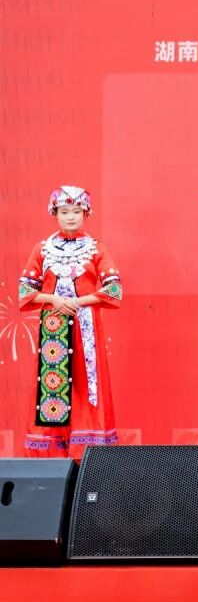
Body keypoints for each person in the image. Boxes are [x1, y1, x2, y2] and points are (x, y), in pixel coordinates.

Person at [18, 186, 123, 459]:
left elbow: (114, 289)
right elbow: (25, 291)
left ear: (86, 214)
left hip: (85, 328)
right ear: (55, 214)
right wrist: (52, 299)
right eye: (64, 212)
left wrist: (78, 302)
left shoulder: (96, 248)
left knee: (86, 384)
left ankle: (86, 455)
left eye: (76, 211)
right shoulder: (42, 249)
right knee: (53, 383)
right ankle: (51, 457)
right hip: (53, 330)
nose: (71, 217)